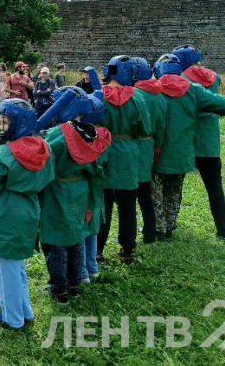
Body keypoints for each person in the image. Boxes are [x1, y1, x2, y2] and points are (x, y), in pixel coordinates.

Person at [0, 99, 55, 328]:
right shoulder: (45, 148)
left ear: (19, 124)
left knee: (5, 268)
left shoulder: (4, 153)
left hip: (7, 211)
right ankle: (24, 310)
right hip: (30, 208)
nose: (1, 126)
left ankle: (11, 318)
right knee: (17, 266)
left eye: (5, 122)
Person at [40, 87, 110, 304]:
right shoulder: (91, 133)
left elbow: (43, 162)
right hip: (80, 190)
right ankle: (75, 283)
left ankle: (58, 289)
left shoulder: (57, 135)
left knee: (57, 240)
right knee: (77, 236)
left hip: (57, 191)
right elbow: (97, 167)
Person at [152, 54, 225, 240]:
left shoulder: (154, 88)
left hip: (160, 150)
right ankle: (170, 226)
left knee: (156, 192)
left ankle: (158, 229)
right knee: (175, 190)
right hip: (185, 150)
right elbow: (223, 106)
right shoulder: (194, 88)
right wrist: (200, 107)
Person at [174, 44, 225, 239]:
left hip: (187, 137)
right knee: (215, 187)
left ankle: (167, 224)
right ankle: (224, 230)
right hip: (210, 139)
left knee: (173, 184)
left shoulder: (182, 79)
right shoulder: (214, 76)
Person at [96, 56, 151, 264]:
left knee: (103, 202)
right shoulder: (137, 98)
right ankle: (127, 249)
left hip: (103, 151)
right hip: (127, 152)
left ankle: (98, 249)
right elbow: (144, 129)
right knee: (128, 203)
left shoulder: (98, 94)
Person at [132, 57, 166, 244]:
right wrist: (157, 146)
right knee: (146, 193)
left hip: (132, 145)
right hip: (149, 144)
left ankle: (128, 234)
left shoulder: (133, 94)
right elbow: (161, 126)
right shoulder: (159, 96)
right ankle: (150, 235)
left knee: (129, 194)